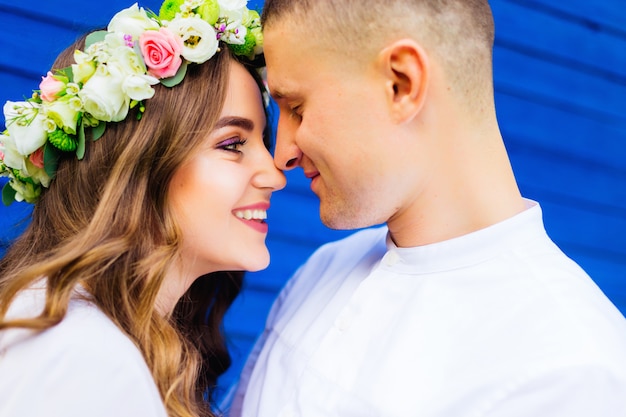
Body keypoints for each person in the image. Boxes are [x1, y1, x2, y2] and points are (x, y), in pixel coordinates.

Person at [229, 0, 626, 415]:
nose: (282, 156)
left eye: (297, 108)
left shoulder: (570, 374)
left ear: (402, 83)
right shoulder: (324, 268)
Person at [0, 1, 285, 416]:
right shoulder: (77, 356)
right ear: (140, 165)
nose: (275, 175)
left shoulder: (113, 341)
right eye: (232, 145)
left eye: (263, 141)